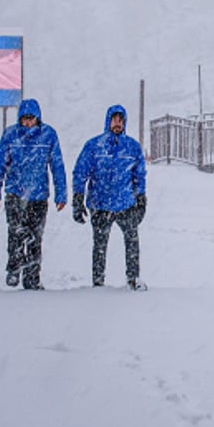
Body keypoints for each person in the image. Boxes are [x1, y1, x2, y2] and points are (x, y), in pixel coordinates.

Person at [0, 98, 67, 290]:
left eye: (31, 119)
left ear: (38, 118)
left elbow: (57, 166)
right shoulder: (10, 136)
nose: (28, 123)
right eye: (24, 119)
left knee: (35, 238)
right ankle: (14, 269)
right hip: (15, 193)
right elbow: (0, 164)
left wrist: (61, 194)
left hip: (39, 196)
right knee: (15, 233)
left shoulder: (49, 135)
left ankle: (32, 277)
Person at [72, 104, 148, 290]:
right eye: (114, 119)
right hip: (100, 204)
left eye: (121, 120)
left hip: (126, 204)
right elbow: (80, 173)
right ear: (108, 121)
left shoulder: (132, 147)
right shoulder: (94, 146)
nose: (118, 123)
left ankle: (133, 279)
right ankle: (98, 282)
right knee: (99, 245)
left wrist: (141, 198)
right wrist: (78, 198)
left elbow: (139, 175)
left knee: (132, 243)